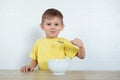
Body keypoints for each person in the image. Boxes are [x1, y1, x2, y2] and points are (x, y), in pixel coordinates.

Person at [20, 8, 85, 72]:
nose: (52, 27)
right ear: (42, 26)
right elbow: (35, 60)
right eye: (48, 24)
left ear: (61, 27)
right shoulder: (39, 42)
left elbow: (81, 56)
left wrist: (81, 47)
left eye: (56, 24)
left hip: (59, 76)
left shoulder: (64, 42)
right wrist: (30, 67)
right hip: (42, 76)